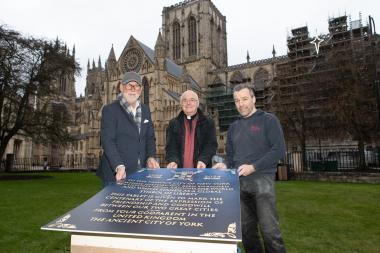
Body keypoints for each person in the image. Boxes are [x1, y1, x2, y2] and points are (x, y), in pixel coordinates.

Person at [213, 83, 286, 253]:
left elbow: (279, 149)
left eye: (245, 99)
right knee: (247, 233)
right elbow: (231, 158)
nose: (241, 104)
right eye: (237, 100)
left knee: (270, 232)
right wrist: (225, 165)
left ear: (254, 99)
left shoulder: (268, 120)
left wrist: (253, 167)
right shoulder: (233, 128)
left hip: (262, 182)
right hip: (239, 184)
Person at [97, 71, 159, 186]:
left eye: (136, 86)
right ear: (121, 87)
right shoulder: (110, 110)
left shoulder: (145, 110)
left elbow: (150, 138)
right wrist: (118, 166)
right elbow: (108, 141)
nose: (132, 89)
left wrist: (151, 157)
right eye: (129, 85)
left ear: (140, 90)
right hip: (116, 173)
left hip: (141, 172)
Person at [165, 90, 217, 169]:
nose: (188, 103)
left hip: (200, 171)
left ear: (197, 103)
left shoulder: (208, 122)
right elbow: (170, 147)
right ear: (181, 104)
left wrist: (203, 160)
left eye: (192, 100)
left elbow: (211, 145)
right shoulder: (173, 123)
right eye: (185, 100)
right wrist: (173, 160)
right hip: (179, 172)